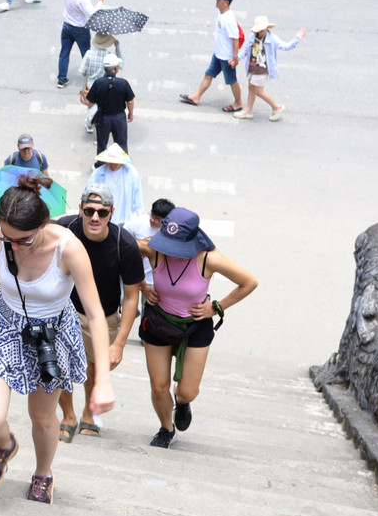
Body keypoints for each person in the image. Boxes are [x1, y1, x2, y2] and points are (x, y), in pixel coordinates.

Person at [0, 174, 113, 503]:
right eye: (7, 237)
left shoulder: (68, 249)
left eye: (23, 240)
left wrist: (102, 380)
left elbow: (96, 315)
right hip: (4, 325)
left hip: (51, 334)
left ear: (43, 224)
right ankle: (5, 444)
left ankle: (43, 473)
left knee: (42, 416)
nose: (13, 246)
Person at [139, 208, 257, 448]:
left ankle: (182, 401)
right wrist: (143, 285)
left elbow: (249, 282)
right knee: (158, 386)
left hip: (195, 325)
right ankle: (166, 428)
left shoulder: (208, 259)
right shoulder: (152, 249)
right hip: (159, 321)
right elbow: (122, 253)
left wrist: (217, 307)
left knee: (188, 392)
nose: (173, 253)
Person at [55, 184, 143, 441]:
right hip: (64, 311)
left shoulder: (124, 244)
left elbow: (132, 297)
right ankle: (68, 415)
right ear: (80, 209)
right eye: (90, 211)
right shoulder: (64, 231)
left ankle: (89, 413)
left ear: (111, 213)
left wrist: (120, 344)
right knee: (58, 366)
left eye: (102, 212)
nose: (95, 217)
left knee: (93, 369)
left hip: (103, 317)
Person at [180, 0, 244, 112]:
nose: (217, 0)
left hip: (226, 57)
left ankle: (238, 103)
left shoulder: (229, 19)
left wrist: (235, 58)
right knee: (208, 74)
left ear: (226, 2)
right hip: (218, 54)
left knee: (232, 81)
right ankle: (196, 97)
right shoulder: (221, 13)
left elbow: (235, 39)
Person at [234, 16, 306, 121]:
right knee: (251, 87)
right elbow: (246, 50)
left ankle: (276, 107)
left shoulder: (272, 38)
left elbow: (286, 46)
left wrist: (297, 38)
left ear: (267, 27)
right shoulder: (252, 37)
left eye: (263, 28)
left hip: (262, 70)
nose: (261, 31)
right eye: (259, 29)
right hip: (252, 68)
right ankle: (248, 111)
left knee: (258, 91)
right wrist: (237, 58)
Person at [56, 0, 103, 89]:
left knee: (64, 53)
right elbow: (92, 14)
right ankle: (91, 78)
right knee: (86, 53)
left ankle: (61, 79)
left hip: (67, 25)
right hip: (80, 29)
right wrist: (100, 2)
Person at [86, 53, 134, 156]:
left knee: (102, 145)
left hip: (103, 118)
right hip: (119, 118)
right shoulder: (123, 83)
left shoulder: (98, 82)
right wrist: (130, 113)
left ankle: (101, 163)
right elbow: (130, 101)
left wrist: (92, 114)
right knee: (121, 144)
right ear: (116, 68)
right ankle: (122, 163)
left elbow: (90, 102)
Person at [124, 197, 176, 291]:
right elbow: (122, 240)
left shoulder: (172, 232)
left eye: (157, 219)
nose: (152, 220)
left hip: (154, 280)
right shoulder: (138, 222)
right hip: (134, 274)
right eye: (152, 215)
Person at [88, 143, 144, 225]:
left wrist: (138, 214)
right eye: (110, 162)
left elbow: (137, 194)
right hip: (103, 217)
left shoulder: (132, 173)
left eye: (116, 163)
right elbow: (89, 194)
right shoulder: (97, 174)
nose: (113, 165)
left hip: (124, 218)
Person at [78, 32, 120, 134]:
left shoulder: (89, 54)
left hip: (91, 85)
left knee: (91, 106)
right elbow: (120, 65)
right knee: (104, 107)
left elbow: (82, 71)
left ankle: (89, 125)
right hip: (106, 86)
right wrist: (117, 47)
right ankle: (100, 128)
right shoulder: (109, 56)